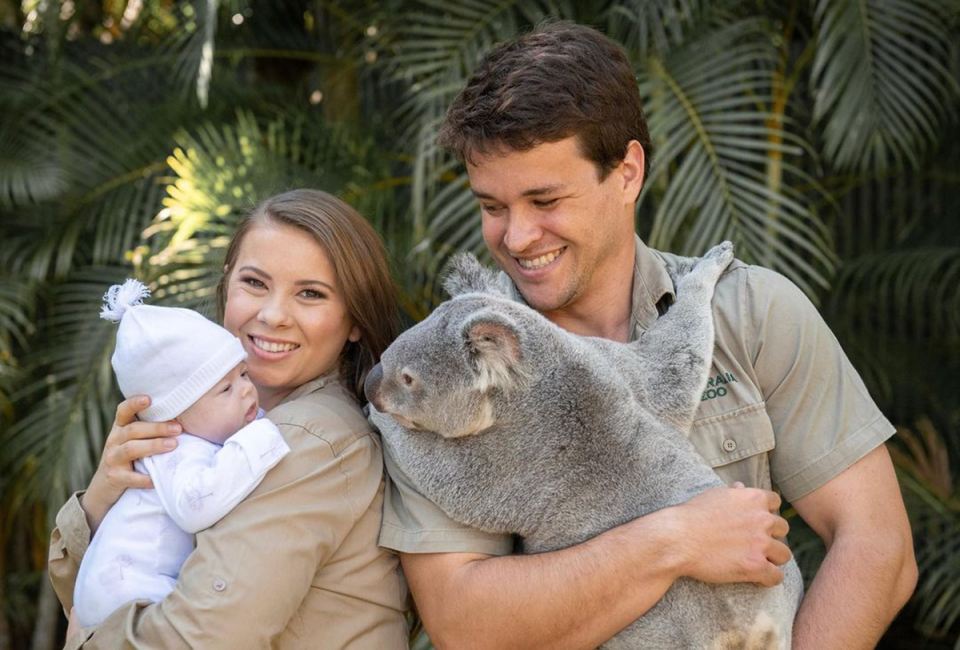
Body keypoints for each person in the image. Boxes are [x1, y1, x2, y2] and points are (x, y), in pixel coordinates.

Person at [378, 22, 918, 650]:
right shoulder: (439, 372)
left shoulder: (751, 312)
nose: (517, 237)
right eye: (492, 207)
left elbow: (876, 544)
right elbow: (464, 622)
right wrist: (675, 540)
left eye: (545, 199)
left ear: (627, 172)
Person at [48, 189, 408, 648]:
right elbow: (109, 584)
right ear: (226, 284)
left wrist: (87, 643)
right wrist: (105, 495)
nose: (273, 315)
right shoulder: (220, 427)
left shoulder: (306, 436)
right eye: (255, 283)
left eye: (311, 294)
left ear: (354, 319)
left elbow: (204, 636)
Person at [74, 279, 290, 627]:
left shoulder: (201, 431)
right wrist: (262, 438)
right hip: (128, 591)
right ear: (174, 415)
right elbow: (195, 505)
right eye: (225, 388)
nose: (248, 391)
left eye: (243, 373)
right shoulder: (173, 448)